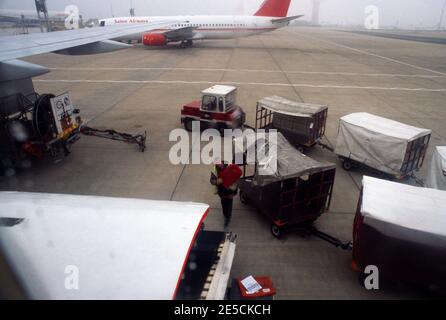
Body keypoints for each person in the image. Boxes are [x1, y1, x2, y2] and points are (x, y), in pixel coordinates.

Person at [210, 162, 239, 227]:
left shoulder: (230, 167)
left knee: (229, 206)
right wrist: (217, 181)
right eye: (217, 164)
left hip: (229, 192)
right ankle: (225, 215)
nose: (219, 165)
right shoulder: (215, 169)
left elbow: (236, 180)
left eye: (220, 163)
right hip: (222, 192)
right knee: (224, 205)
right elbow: (212, 180)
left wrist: (234, 193)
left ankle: (227, 219)